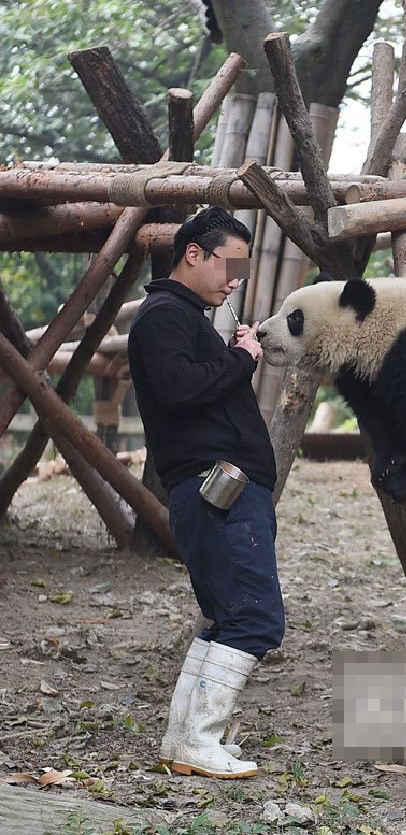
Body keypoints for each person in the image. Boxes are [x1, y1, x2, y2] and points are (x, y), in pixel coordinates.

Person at [128, 207, 285, 779]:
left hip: (220, 487)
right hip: (217, 488)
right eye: (229, 264)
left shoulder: (185, 316)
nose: (235, 279)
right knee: (255, 618)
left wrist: (229, 356)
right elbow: (179, 390)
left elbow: (196, 385)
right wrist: (241, 359)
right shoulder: (165, 315)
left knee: (227, 616)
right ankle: (199, 740)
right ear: (193, 253)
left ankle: (183, 741)